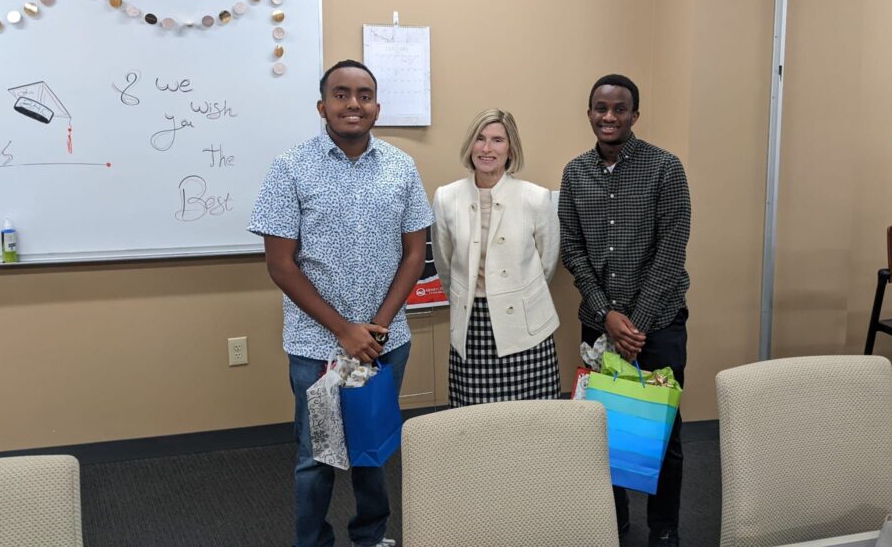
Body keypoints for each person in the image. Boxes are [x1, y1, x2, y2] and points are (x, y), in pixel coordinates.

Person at [248, 59, 433, 547]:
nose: (354, 103)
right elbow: (281, 265)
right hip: (316, 344)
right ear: (322, 105)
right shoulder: (290, 167)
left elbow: (416, 253)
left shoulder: (401, 166)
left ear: (377, 106)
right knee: (317, 455)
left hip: (385, 340)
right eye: (342, 94)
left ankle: (371, 536)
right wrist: (344, 330)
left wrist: (376, 325)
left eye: (365, 94)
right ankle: (312, 541)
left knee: (373, 445)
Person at [558, 74, 691, 547]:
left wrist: (634, 323)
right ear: (589, 112)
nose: (608, 117)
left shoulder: (665, 168)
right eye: (600, 108)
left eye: (619, 109)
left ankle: (664, 528)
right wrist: (607, 315)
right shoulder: (575, 173)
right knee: (602, 431)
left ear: (635, 114)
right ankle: (611, 524)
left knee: (663, 431)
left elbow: (672, 250)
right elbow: (572, 249)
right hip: (599, 327)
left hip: (660, 324)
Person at [432, 108, 561, 407]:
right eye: (480, 139)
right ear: (470, 146)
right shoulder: (447, 197)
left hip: (527, 327)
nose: (487, 148)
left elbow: (547, 263)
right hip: (472, 324)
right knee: (477, 424)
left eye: (497, 140)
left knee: (531, 420)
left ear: (511, 148)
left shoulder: (535, 198)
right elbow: (444, 263)